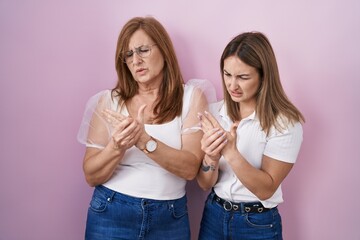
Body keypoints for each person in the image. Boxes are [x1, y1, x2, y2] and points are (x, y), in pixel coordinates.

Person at [77, 16, 215, 240]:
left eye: (143, 50)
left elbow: (190, 168)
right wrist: (117, 146)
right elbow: (91, 176)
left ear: (164, 50)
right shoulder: (108, 102)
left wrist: (143, 140)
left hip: (169, 219)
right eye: (129, 54)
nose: (136, 60)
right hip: (111, 212)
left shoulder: (191, 97)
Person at [196, 32, 305, 240]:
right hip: (214, 215)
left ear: (264, 75)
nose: (232, 85)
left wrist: (230, 152)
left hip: (256, 224)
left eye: (243, 77)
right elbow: (204, 183)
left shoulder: (285, 123)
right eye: (227, 74)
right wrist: (210, 157)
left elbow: (265, 189)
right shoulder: (213, 112)